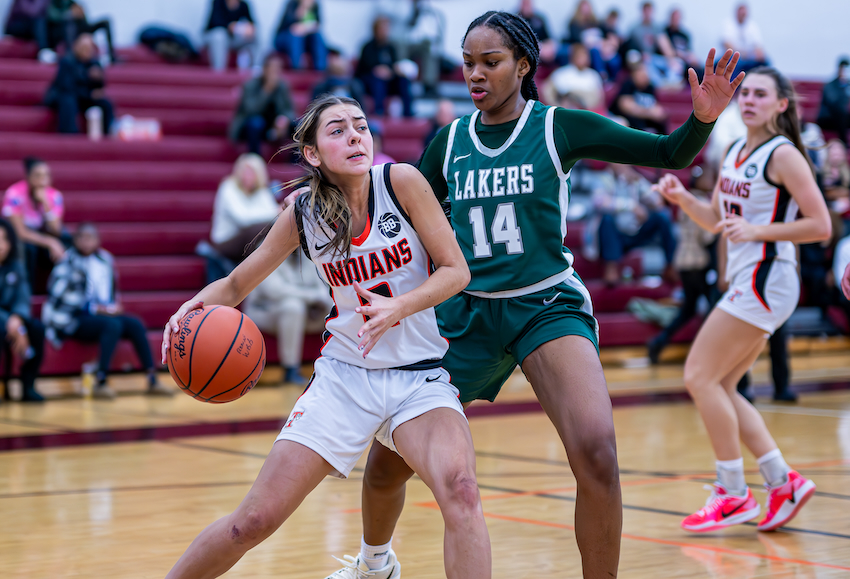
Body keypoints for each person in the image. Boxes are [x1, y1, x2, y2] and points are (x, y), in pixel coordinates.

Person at [319, 10, 743, 578]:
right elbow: (410, 226)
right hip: (465, 313)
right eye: (468, 63)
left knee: (596, 452)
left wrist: (702, 120)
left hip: (545, 306)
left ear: (523, 65)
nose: (475, 74)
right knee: (386, 463)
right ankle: (375, 565)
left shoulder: (556, 127)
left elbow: (668, 153)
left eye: (490, 62)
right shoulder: (448, 142)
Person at [160, 94, 490, 579]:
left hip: (419, 379)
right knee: (251, 522)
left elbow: (455, 270)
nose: (355, 135)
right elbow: (235, 284)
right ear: (312, 154)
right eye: (337, 130)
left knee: (461, 490)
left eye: (360, 125)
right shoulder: (303, 214)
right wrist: (192, 307)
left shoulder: (401, 182)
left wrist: (400, 305)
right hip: (345, 378)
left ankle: (375, 565)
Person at [654, 66, 829, 533]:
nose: (749, 100)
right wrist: (682, 197)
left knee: (698, 375)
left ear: (781, 105)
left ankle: (732, 492)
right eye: (745, 93)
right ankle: (781, 481)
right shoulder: (734, 150)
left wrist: (759, 231)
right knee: (722, 385)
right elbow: (717, 219)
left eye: (760, 94)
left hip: (768, 276)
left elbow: (821, 225)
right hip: (749, 279)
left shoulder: (784, 154)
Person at [42, 223, 173, 399]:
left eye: (91, 237)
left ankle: (152, 379)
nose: (87, 242)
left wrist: (113, 306)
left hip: (103, 315)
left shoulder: (105, 260)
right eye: (82, 237)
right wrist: (96, 309)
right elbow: (60, 297)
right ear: (75, 240)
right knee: (111, 325)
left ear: (98, 240)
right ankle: (100, 381)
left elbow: (111, 291)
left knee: (135, 324)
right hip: (73, 318)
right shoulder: (67, 261)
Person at [647, 166, 716, 363]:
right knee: (712, 309)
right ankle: (707, 354)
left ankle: (660, 341)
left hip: (683, 261)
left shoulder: (685, 202)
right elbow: (707, 235)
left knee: (690, 308)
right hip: (698, 262)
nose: (710, 181)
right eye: (705, 178)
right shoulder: (700, 203)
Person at [243, 249, 331, 385]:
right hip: (265, 312)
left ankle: (339, 365)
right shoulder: (266, 251)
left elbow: (322, 288)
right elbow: (276, 291)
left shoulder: (307, 251)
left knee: (333, 306)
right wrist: (312, 298)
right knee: (292, 307)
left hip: (304, 312)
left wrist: (319, 302)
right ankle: (290, 369)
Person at [595, 164, 677, 285]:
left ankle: (671, 265)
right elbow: (599, 202)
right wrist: (631, 206)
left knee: (663, 216)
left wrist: (641, 182)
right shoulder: (602, 178)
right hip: (614, 236)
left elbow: (658, 203)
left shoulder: (635, 179)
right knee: (607, 219)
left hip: (635, 230)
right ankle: (611, 268)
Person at [2, 157, 69, 287]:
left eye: (46, 175)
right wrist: (49, 242)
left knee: (66, 241)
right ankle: (25, 287)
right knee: (27, 248)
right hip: (23, 237)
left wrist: (45, 204)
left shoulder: (54, 196)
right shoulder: (14, 194)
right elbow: (20, 232)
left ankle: (61, 287)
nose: (43, 179)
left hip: (42, 234)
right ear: (28, 177)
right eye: (38, 175)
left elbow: (56, 230)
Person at [0, 218, 46, 403]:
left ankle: (28, 385)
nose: (0, 245)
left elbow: (23, 297)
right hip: (4, 320)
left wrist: (17, 319)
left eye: (4, 239)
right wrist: (9, 321)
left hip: (12, 318)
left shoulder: (17, 266)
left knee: (37, 329)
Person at [44, 32, 114, 135]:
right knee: (68, 99)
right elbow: (67, 87)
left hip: (84, 97)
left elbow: (99, 88)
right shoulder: (67, 62)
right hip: (66, 95)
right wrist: (89, 93)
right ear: (77, 47)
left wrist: (98, 80)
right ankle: (69, 132)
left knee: (105, 103)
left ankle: (108, 132)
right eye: (84, 47)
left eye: (89, 48)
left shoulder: (94, 64)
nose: (87, 51)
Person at [228, 54, 295, 157]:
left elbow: (289, 110)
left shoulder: (283, 86)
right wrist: (267, 90)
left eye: (278, 69)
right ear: (264, 69)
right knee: (256, 123)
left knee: (298, 125)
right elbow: (250, 110)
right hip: (251, 126)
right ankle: (255, 158)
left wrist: (284, 119)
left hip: (274, 125)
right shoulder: (250, 85)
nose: (275, 72)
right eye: (272, 68)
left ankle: (294, 162)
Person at [355, 16, 414, 118]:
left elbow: (394, 65)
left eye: (387, 28)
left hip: (388, 79)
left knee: (403, 81)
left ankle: (408, 113)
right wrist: (380, 71)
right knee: (378, 81)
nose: (385, 31)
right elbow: (367, 67)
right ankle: (379, 112)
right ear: (375, 30)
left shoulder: (391, 47)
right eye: (382, 28)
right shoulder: (367, 47)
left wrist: (393, 71)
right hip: (370, 80)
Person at [562, 0, 621, 80]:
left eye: (587, 7)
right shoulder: (574, 23)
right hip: (586, 49)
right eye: (583, 8)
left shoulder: (597, 22)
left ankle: (613, 80)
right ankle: (602, 76)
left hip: (602, 48)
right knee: (595, 51)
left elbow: (606, 34)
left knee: (615, 59)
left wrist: (609, 43)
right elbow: (577, 39)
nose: (586, 10)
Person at [542, 43, 605, 113]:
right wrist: (556, 107)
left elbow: (598, 100)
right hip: (564, 111)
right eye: (579, 55)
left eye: (584, 55)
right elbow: (547, 91)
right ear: (573, 56)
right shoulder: (561, 73)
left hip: (586, 112)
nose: (582, 58)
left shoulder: (593, 75)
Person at [610, 60, 668, 133]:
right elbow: (625, 106)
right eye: (641, 73)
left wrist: (655, 113)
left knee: (661, 122)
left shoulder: (650, 87)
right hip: (626, 119)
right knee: (633, 120)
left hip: (644, 119)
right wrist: (648, 112)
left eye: (646, 73)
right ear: (634, 74)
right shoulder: (628, 84)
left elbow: (658, 110)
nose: (644, 75)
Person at [204, 0, 259, 72]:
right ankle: (219, 71)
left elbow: (252, 23)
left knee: (256, 37)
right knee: (219, 35)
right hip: (214, 37)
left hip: (233, 39)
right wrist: (229, 26)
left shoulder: (244, 5)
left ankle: (256, 70)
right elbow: (215, 22)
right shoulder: (217, 2)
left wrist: (249, 29)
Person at [274, 0, 327, 71]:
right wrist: (303, 8)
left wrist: (305, 28)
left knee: (317, 36)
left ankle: (321, 69)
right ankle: (297, 68)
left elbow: (317, 24)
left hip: (304, 38)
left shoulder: (315, 5)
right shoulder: (292, 3)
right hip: (285, 37)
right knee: (296, 35)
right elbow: (290, 25)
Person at [721, 3, 768, 75]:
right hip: (734, 55)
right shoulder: (728, 24)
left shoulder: (752, 26)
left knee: (765, 61)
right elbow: (727, 45)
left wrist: (758, 54)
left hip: (749, 56)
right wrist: (743, 54)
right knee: (734, 62)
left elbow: (758, 46)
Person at [817, 57, 850, 146]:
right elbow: (833, 102)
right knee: (840, 111)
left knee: (843, 114)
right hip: (828, 117)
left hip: (843, 118)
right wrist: (844, 88)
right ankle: (844, 144)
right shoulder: (830, 85)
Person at [517, 0, 556, 64]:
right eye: (524, 3)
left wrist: (550, 47)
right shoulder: (516, 19)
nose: (526, 5)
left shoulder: (539, 18)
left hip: (542, 48)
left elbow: (548, 38)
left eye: (528, 3)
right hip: (526, 48)